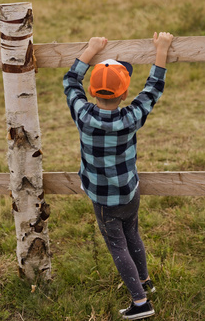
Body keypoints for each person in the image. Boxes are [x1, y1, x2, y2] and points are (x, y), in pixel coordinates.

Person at [63, 32, 174, 320]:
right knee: (132, 232)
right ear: (125, 94)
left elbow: (69, 81)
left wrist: (90, 50)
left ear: (91, 91)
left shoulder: (83, 115)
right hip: (129, 191)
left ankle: (140, 302)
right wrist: (161, 49)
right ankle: (145, 281)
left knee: (117, 245)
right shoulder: (131, 117)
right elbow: (153, 88)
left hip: (102, 198)